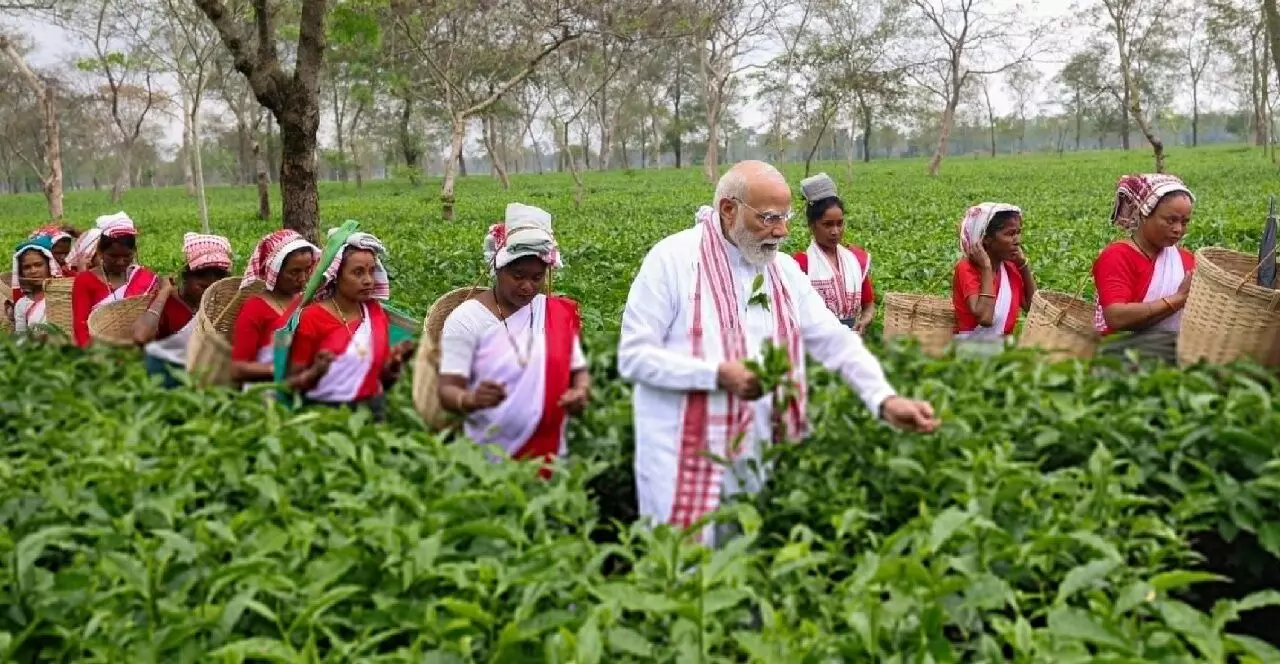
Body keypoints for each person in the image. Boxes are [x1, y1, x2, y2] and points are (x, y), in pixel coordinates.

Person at [617, 160, 939, 547]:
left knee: (744, 559)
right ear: (729, 209)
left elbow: (834, 340)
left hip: (755, 452)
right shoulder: (672, 260)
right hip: (680, 456)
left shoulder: (782, 271)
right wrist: (717, 375)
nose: (782, 231)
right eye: (769, 218)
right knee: (683, 565)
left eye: (786, 218)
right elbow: (634, 355)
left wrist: (883, 399)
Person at [436, 203, 591, 475]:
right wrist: (470, 399)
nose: (528, 286)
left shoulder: (554, 313)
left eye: (537, 277)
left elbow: (578, 371)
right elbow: (447, 389)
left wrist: (580, 391)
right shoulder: (466, 320)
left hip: (551, 458)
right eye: (517, 275)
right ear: (498, 268)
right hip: (489, 462)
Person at [286, 230, 415, 421]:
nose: (368, 280)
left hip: (373, 410)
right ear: (336, 276)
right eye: (358, 272)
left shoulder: (375, 313)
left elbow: (378, 378)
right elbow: (290, 385)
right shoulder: (312, 317)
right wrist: (316, 372)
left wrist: (395, 365)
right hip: (326, 415)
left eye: (371, 271)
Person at [1092, 173, 1196, 364]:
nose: (1178, 229)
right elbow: (1116, 317)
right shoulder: (1117, 256)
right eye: (1170, 220)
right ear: (1144, 214)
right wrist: (1178, 299)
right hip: (1122, 354)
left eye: (1184, 222)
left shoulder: (1185, 259)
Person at [132, 233, 233, 388]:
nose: (209, 292)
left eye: (216, 286)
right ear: (185, 277)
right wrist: (164, 292)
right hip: (166, 378)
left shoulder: (222, 305)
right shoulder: (167, 302)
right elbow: (141, 336)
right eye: (203, 286)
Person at [231, 229, 320, 383]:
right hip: (268, 390)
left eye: (307, 270)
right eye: (294, 272)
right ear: (274, 270)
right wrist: (282, 369)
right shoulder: (255, 309)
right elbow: (237, 369)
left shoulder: (307, 302)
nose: (302, 278)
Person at [792, 172, 875, 332]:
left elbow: (868, 305)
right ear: (812, 226)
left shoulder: (856, 260)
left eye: (839, 223)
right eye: (827, 224)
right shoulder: (800, 264)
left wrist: (864, 320)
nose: (835, 231)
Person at [952, 203, 1036, 350]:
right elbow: (985, 318)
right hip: (971, 351)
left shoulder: (1010, 268)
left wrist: (1023, 266)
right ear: (986, 239)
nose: (1018, 241)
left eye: (1018, 233)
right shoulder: (967, 268)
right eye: (1010, 234)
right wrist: (986, 267)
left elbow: (1033, 307)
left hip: (1003, 350)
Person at [70, 212, 158, 347]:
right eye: (113, 256)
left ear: (134, 251)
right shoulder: (85, 280)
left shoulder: (145, 277)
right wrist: (90, 353)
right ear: (100, 252)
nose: (120, 262)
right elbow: (80, 325)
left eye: (127, 256)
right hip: (99, 349)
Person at [11, 236, 62, 337]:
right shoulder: (22, 304)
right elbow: (21, 337)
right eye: (27, 267)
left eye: (38, 265)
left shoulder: (64, 295)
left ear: (49, 265)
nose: (33, 271)